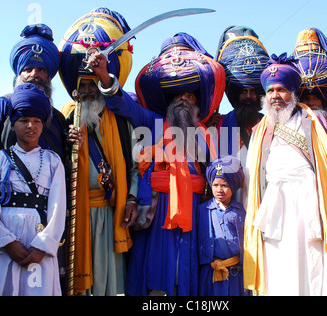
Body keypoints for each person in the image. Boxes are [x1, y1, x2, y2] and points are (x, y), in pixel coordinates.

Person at [90, 32, 225, 296]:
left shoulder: (205, 134)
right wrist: (104, 76)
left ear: (197, 102)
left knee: (188, 272)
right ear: (169, 100)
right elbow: (121, 103)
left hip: (195, 211)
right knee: (154, 273)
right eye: (178, 95)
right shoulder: (151, 122)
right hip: (156, 208)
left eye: (191, 96)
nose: (184, 100)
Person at [243, 53, 327, 296]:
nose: (275, 96)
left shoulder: (315, 123)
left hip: (310, 208)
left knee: (312, 269)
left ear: (293, 93)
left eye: (281, 90)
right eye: (270, 91)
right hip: (273, 212)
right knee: (277, 271)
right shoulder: (260, 130)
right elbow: (251, 178)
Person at [59, 8, 138, 296]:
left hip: (111, 212)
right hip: (78, 214)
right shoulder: (66, 118)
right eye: (84, 86)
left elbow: (134, 166)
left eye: (93, 84)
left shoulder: (119, 119)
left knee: (111, 283)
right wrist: (71, 149)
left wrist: (131, 199)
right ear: (76, 90)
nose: (89, 90)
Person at [0, 83, 66, 296]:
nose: (31, 126)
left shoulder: (53, 162)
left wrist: (42, 246)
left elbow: (58, 207)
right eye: (24, 120)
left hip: (38, 239)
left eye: (37, 121)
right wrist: (7, 242)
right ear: (12, 123)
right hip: (2, 243)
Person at [0, 24, 67, 198]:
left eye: (41, 70)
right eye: (27, 69)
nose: (34, 74)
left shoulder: (58, 119)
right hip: (2, 207)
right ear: (18, 73)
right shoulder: (0, 107)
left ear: (49, 75)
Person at [213, 26, 269, 158]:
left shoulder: (267, 123)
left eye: (252, 92)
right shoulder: (219, 124)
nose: (249, 96)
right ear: (236, 94)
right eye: (244, 91)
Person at [198, 156, 247, 296]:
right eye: (216, 185)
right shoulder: (203, 210)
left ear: (234, 186)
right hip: (211, 274)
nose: (219, 189)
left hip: (236, 274)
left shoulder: (241, 211)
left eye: (225, 185)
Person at [292, 28, 327, 152]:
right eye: (306, 99)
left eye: (315, 98)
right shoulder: (289, 130)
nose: (311, 103)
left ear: (325, 101)